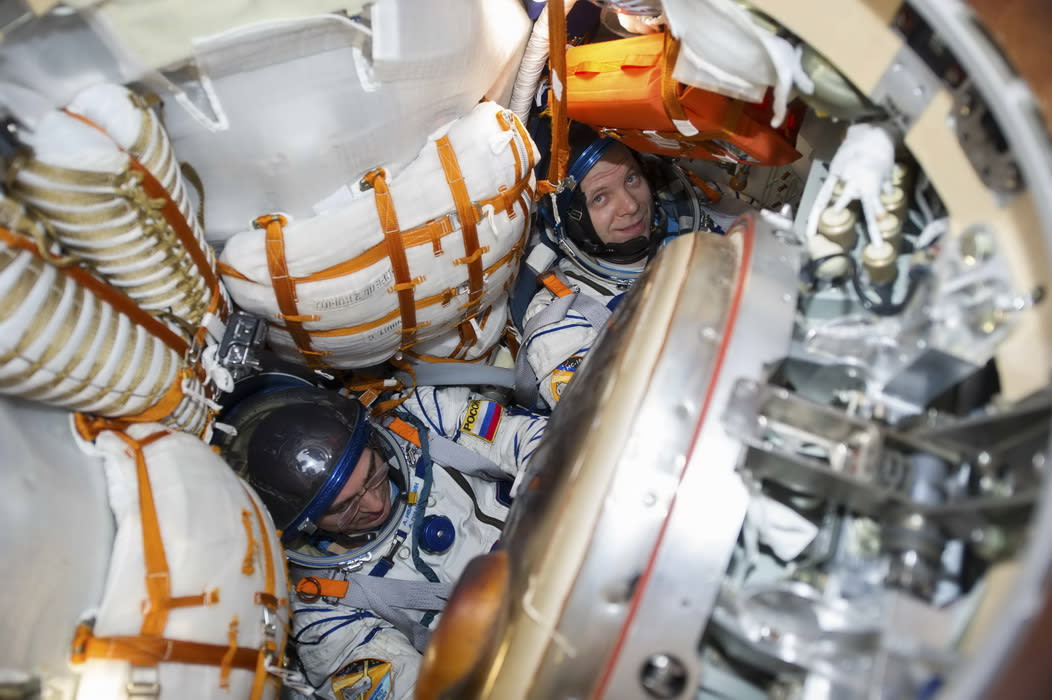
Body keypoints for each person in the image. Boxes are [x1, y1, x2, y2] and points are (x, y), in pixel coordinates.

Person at [219, 378, 547, 700]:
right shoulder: (322, 610)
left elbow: (534, 440)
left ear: (373, 443)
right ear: (305, 524)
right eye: (344, 507)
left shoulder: (421, 417)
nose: (375, 504)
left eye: (373, 474)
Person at [514, 122, 751, 409]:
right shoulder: (560, 318)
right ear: (571, 218)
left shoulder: (712, 219)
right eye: (600, 197)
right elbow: (607, 418)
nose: (630, 206)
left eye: (631, 179)